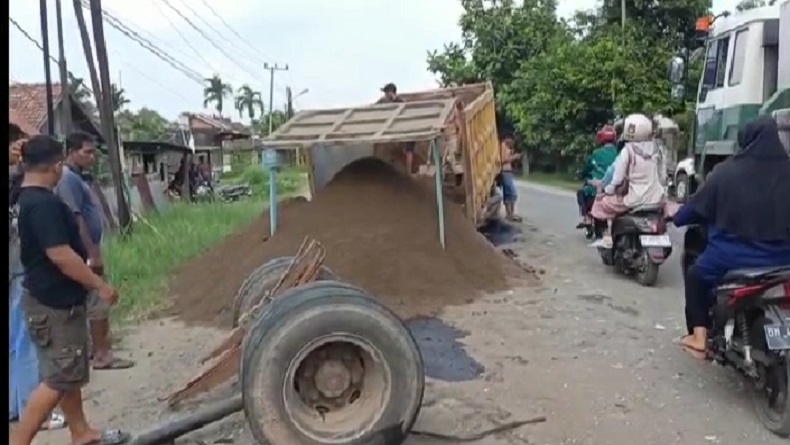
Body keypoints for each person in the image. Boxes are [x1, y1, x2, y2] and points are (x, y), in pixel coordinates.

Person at [11, 134, 129, 445]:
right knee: (58, 379)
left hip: (47, 298)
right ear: (57, 165)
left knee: (68, 371)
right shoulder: (43, 204)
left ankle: (80, 431)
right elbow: (61, 255)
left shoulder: (24, 198)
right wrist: (99, 285)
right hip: (54, 303)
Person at [666, 116, 790, 359]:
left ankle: (699, 338)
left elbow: (694, 209)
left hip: (733, 259)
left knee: (696, 277)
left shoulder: (726, 172)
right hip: (784, 261)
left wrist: (677, 217)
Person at [56, 131, 135, 371]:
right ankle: (102, 354)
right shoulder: (67, 179)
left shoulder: (78, 178)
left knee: (89, 302)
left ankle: (93, 349)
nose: (92, 157)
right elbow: (76, 217)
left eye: (93, 152)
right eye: (86, 152)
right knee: (99, 298)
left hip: (84, 250)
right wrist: (93, 253)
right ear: (71, 152)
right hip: (83, 252)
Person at [9, 138, 67, 431]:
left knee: (13, 340)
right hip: (20, 269)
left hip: (15, 268)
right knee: (26, 341)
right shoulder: (31, 195)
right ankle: (31, 409)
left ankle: (14, 404)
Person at [590, 114, 666, 248]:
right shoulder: (657, 149)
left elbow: (617, 178)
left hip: (634, 199)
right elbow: (663, 176)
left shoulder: (627, 151)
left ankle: (608, 236)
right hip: (657, 199)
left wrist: (609, 189)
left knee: (601, 203)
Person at [576, 125, 618, 229]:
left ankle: (587, 218)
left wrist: (582, 174)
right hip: (616, 187)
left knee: (581, 192)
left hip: (597, 188)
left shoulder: (596, 153)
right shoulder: (619, 153)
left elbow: (587, 168)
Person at [378, 83, 416, 175]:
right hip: (399, 129)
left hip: (407, 129)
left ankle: (408, 172)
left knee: (408, 150)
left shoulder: (400, 103)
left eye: (386, 93)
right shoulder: (392, 103)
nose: (385, 95)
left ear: (391, 92)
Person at [500, 134, 523, 222]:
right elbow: (503, 159)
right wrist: (514, 157)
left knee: (510, 193)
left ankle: (511, 214)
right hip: (505, 171)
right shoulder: (503, 145)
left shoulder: (508, 147)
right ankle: (509, 213)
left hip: (508, 172)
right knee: (510, 192)